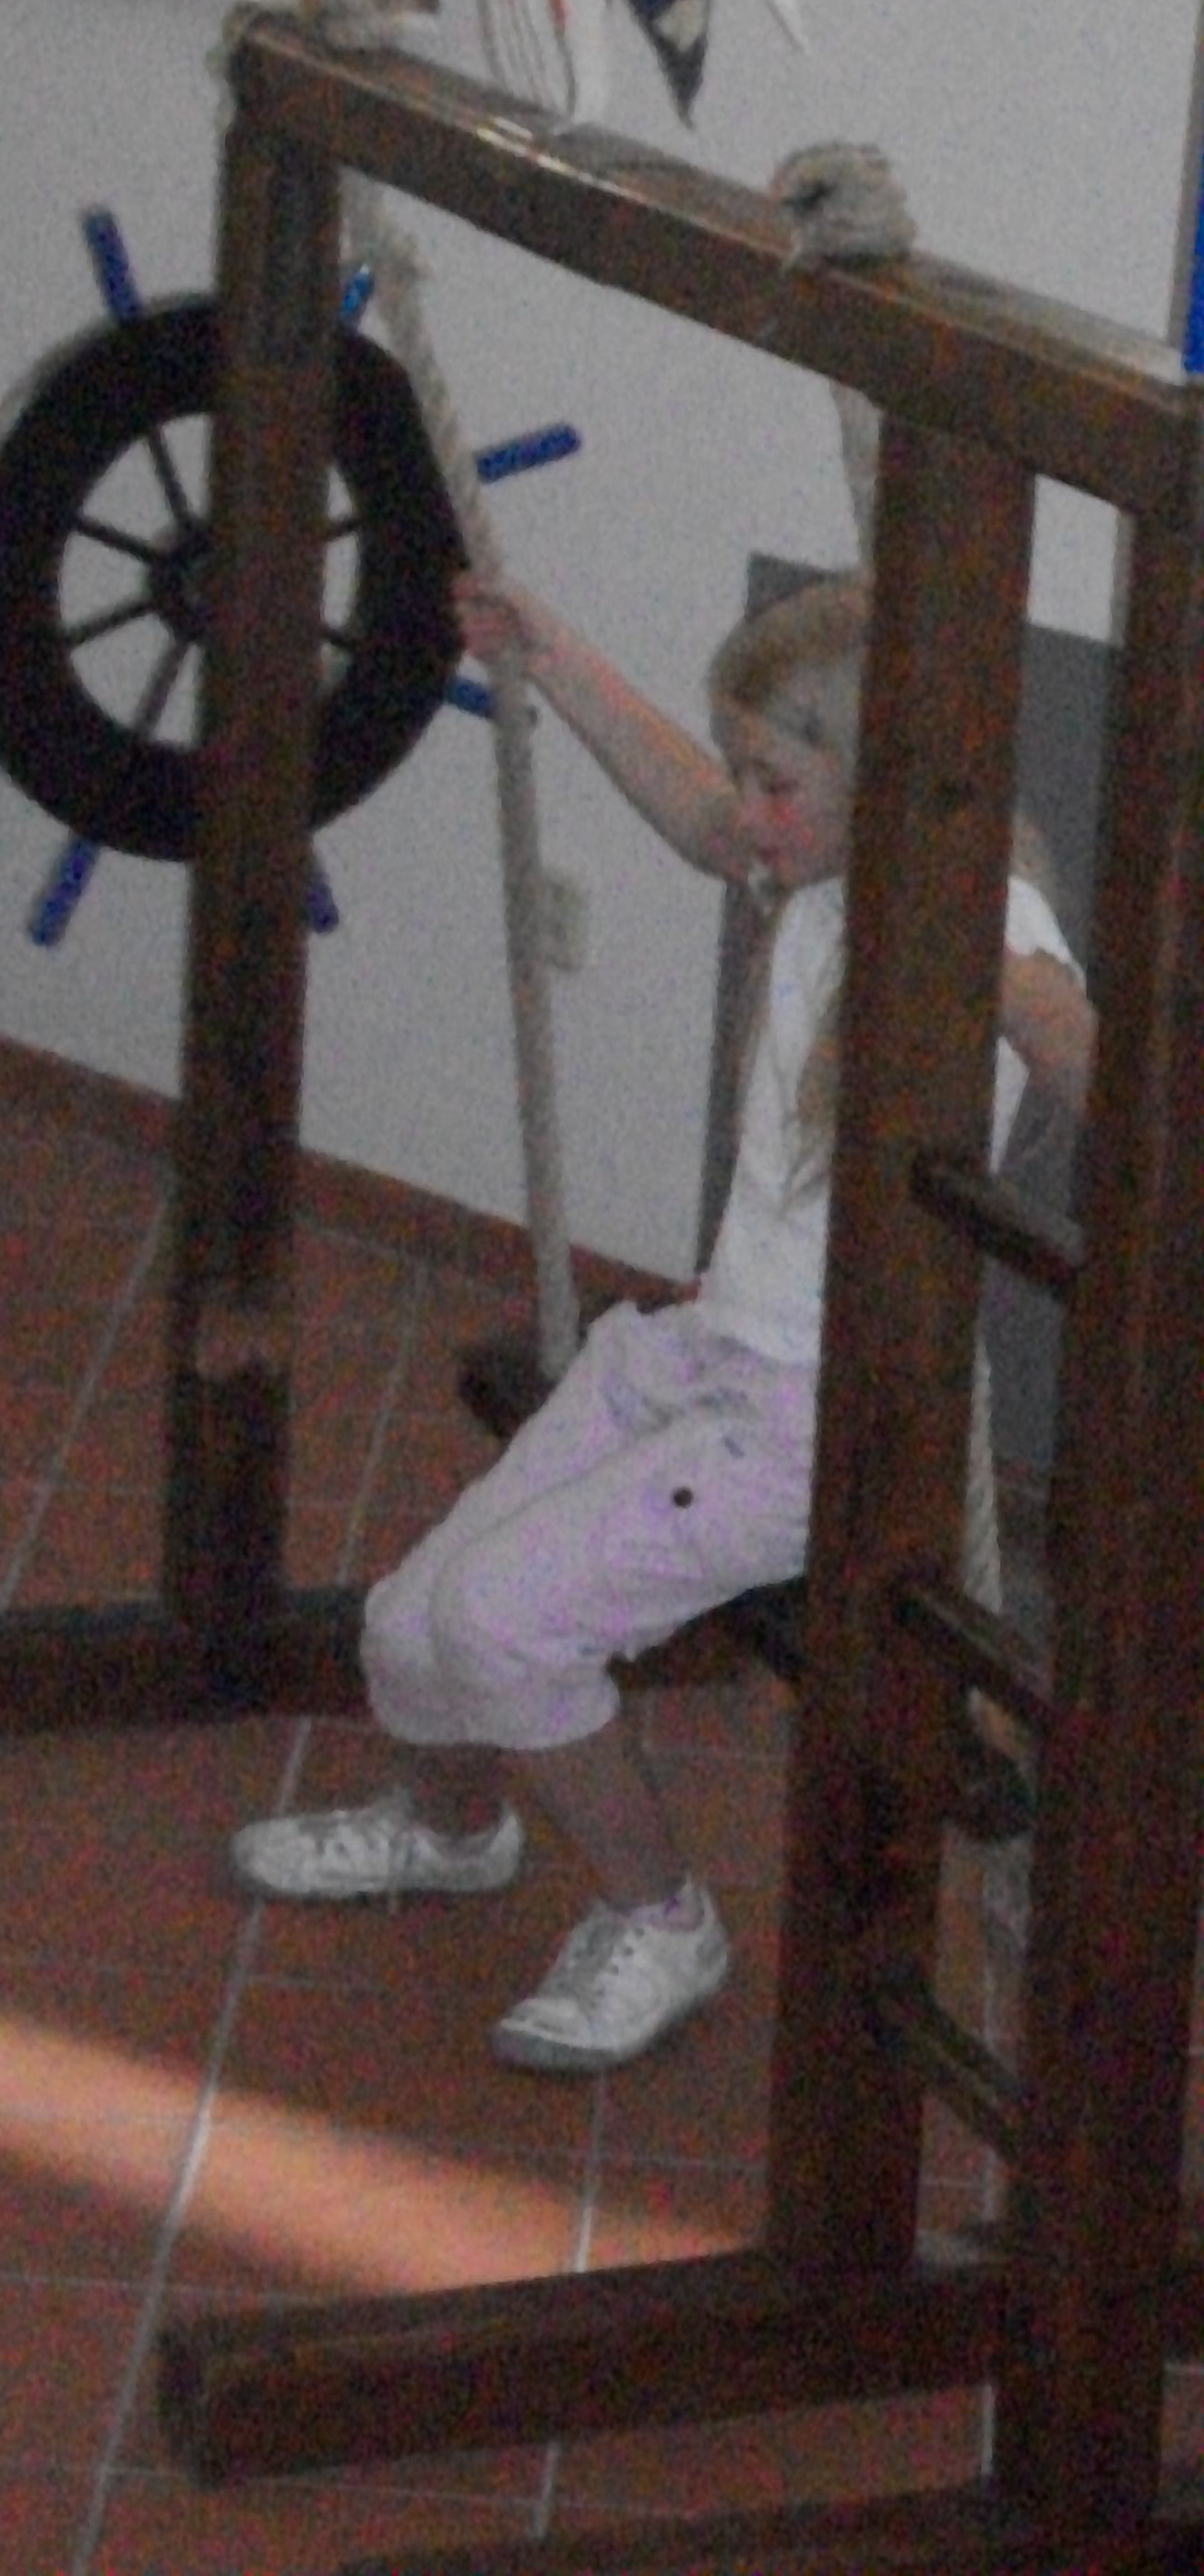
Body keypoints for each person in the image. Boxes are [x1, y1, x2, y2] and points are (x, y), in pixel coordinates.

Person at [231, 568, 1095, 2071]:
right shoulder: (814, 869)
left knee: (498, 1627)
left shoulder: (985, 912)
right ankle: (453, 1826)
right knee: (406, 1622)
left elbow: (1096, 1066)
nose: (745, 812)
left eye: (776, 782)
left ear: (874, 774)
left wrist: (1008, 981)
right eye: (747, 772)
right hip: (699, 1353)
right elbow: (695, 812)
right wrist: (551, 651)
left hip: (810, 1417)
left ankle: (664, 1917)